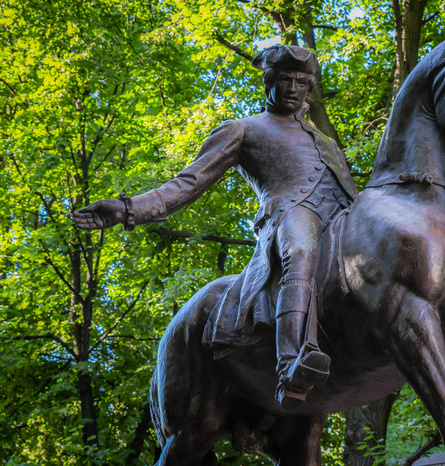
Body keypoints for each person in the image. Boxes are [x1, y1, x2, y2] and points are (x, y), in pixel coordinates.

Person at [73, 45, 359, 409]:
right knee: (301, 251)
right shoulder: (242, 130)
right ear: (269, 81)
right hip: (292, 213)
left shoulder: (326, 141)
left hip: (342, 216)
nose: (292, 88)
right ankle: (290, 362)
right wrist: (129, 208)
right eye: (285, 79)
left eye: (301, 82)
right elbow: (187, 183)